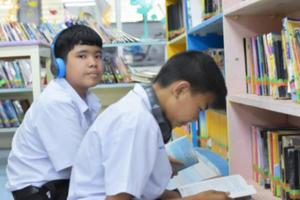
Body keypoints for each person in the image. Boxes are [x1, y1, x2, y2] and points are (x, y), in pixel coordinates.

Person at [67, 51, 231, 200]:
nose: (196, 119)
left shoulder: (141, 112)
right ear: (181, 90)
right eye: (200, 109)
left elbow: (145, 191)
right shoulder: (136, 121)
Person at [6, 24, 104, 200]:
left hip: (63, 181)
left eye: (98, 56)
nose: (93, 63)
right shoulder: (56, 102)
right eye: (82, 56)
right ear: (59, 65)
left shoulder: (88, 99)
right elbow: (80, 165)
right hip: (40, 191)